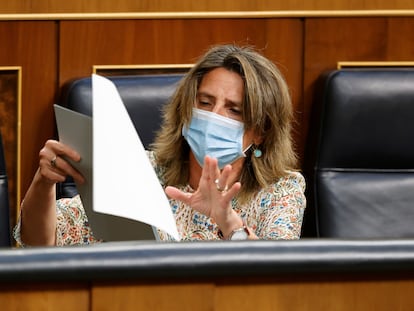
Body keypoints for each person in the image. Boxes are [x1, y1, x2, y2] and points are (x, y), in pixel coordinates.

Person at [14, 44, 306, 246]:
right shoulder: (139, 170)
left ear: (261, 132)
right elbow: (42, 242)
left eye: (234, 110)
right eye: (204, 103)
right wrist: (44, 182)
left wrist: (227, 220)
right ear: (185, 111)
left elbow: (271, 275)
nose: (214, 116)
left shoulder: (282, 190)